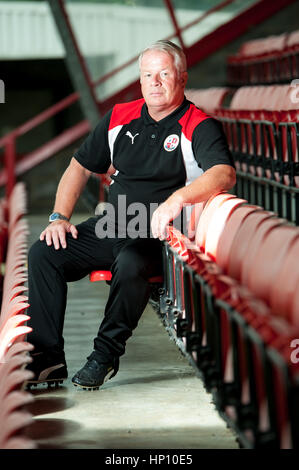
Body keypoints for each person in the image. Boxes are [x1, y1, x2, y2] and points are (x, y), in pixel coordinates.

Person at [26, 40, 236, 390]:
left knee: (130, 262)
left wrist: (177, 200)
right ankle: (47, 360)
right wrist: (59, 217)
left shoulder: (198, 124)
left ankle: (104, 355)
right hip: (112, 224)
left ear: (182, 78)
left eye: (164, 74)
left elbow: (224, 173)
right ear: (140, 81)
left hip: (159, 235)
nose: (155, 82)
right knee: (44, 253)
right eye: (147, 75)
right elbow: (78, 167)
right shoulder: (119, 117)